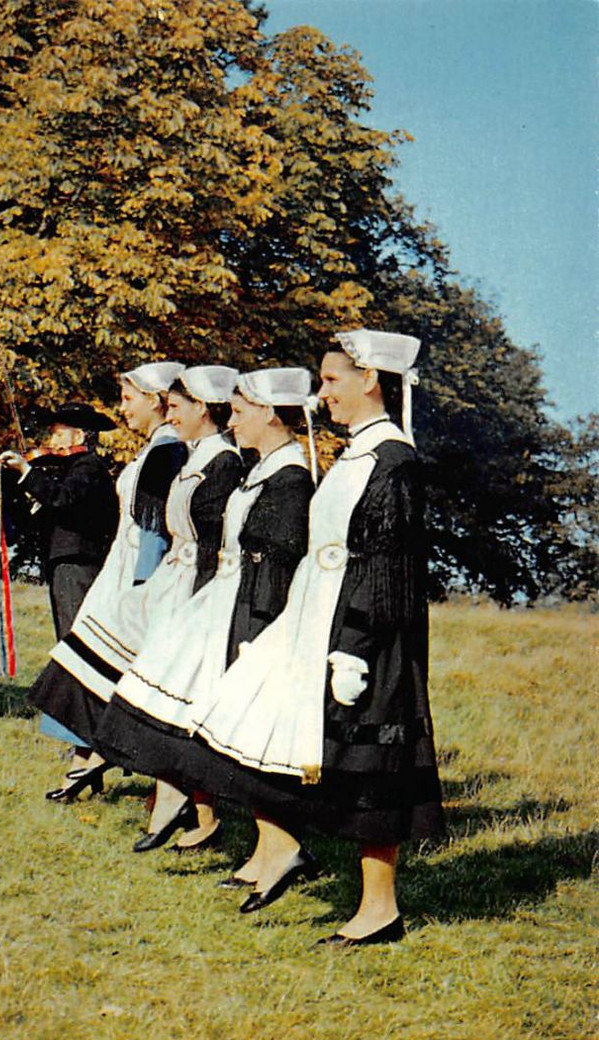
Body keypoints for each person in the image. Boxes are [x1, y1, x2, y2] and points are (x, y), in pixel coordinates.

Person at [191, 330, 443, 945]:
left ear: (371, 381)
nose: (321, 393)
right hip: (318, 622)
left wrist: (354, 649)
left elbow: (387, 568)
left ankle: (379, 909)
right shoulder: (356, 456)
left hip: (366, 638)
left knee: (370, 766)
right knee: (260, 727)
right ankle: (279, 853)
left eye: (332, 381)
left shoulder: (394, 462)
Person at [95, 366, 314, 870]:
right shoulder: (258, 469)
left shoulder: (288, 477)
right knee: (176, 702)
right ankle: (241, 834)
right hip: (221, 599)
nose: (233, 423)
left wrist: (253, 628)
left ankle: (272, 846)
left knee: (230, 721)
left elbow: (274, 560)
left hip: (247, 609)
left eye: (239, 412)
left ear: (269, 413)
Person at [25, 363, 187, 801]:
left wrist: (140, 590)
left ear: (156, 401)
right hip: (120, 568)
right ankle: (86, 762)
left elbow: (156, 529)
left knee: (107, 671)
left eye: (130, 400)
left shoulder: (168, 451)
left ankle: (107, 768)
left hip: (136, 576)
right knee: (83, 665)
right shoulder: (153, 449)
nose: (123, 409)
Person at [102, 364, 244, 851]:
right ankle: (195, 812)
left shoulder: (225, 463)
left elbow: (215, 541)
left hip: (197, 591)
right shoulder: (196, 455)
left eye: (179, 406)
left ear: (203, 409)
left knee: (174, 696)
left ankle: (176, 799)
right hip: (174, 582)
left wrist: (195, 603)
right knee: (161, 693)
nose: (172, 414)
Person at [0, 405, 119, 641]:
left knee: (73, 635)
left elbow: (61, 499)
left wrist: (26, 470)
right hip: (67, 559)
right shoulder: (69, 469)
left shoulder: (88, 466)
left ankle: (75, 679)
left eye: (58, 434)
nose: (52, 441)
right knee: (68, 630)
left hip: (77, 560)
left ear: (80, 435)